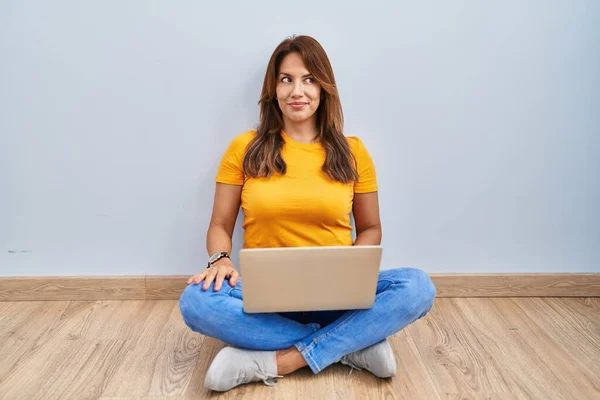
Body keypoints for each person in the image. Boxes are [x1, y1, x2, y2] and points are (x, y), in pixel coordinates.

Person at [178, 35, 437, 392]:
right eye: (286, 79)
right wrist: (220, 259)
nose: (297, 91)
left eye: (309, 79)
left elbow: (371, 227)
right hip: (262, 298)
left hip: (337, 296)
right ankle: (351, 346)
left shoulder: (353, 152)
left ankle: (274, 360)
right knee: (195, 302)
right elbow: (220, 225)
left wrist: (354, 273)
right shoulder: (244, 148)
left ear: (324, 87)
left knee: (417, 286)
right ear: (273, 88)